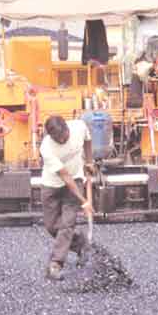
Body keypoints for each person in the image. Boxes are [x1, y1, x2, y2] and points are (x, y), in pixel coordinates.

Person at [39, 115, 94, 281]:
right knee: (51, 227)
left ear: (67, 128)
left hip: (76, 178)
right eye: (58, 139)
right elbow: (65, 177)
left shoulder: (78, 126)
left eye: (65, 136)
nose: (63, 140)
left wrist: (89, 161)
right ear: (51, 136)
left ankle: (55, 264)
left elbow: (88, 140)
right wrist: (84, 201)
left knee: (67, 224)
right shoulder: (46, 148)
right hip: (52, 185)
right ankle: (82, 245)